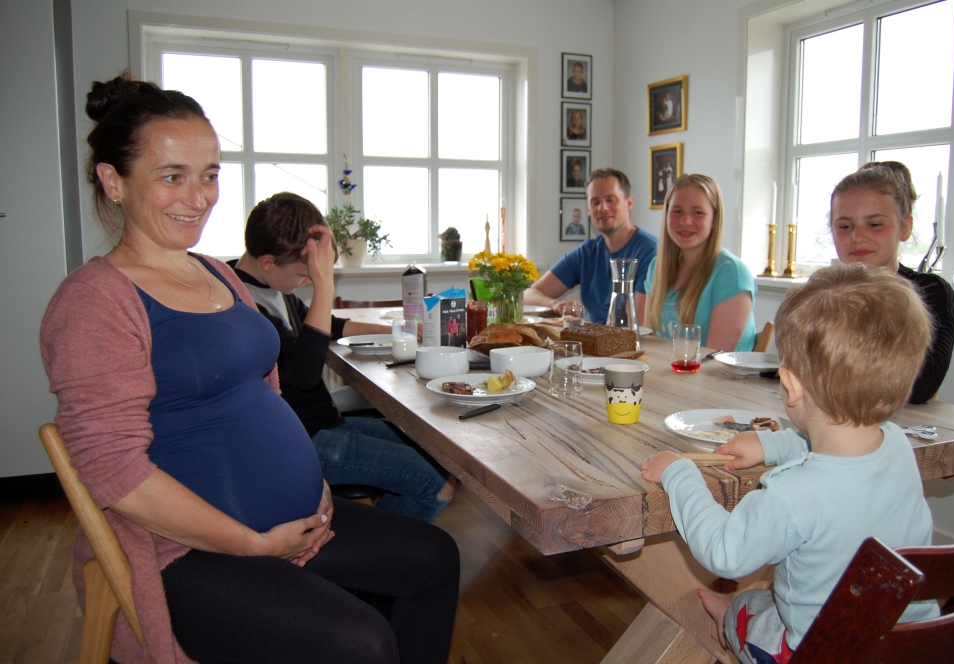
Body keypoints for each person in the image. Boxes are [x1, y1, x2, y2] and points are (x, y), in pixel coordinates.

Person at [40, 72, 458, 664]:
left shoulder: (216, 273)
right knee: (361, 644)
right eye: (172, 176)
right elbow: (113, 472)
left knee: (435, 559)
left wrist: (311, 484)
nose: (199, 196)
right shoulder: (93, 302)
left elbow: (270, 391)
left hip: (295, 521)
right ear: (113, 180)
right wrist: (250, 543)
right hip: (190, 548)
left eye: (209, 174)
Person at [640, 264, 939, 662]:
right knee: (771, 593)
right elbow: (836, 458)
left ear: (791, 385)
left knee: (749, 602)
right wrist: (770, 444)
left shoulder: (792, 496)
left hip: (823, 653)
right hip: (915, 645)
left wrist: (680, 473)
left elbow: (725, 553)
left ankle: (731, 618)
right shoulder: (898, 445)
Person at [230, 192, 455, 523]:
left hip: (323, 424)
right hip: (303, 441)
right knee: (436, 485)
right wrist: (324, 286)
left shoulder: (273, 286)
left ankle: (381, 537)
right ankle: (380, 556)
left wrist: (405, 330)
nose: (307, 281)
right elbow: (303, 374)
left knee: (442, 459)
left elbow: (328, 325)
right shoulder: (246, 305)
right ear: (268, 262)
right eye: (304, 275)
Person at [830, 161, 954, 403]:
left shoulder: (931, 293)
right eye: (845, 226)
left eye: (875, 224)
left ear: (905, 227)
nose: (858, 237)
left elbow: (919, 387)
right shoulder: (822, 293)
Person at [526, 168, 657, 323]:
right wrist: (555, 305)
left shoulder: (650, 252)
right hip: (593, 341)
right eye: (595, 202)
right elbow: (528, 295)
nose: (602, 208)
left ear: (629, 203)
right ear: (588, 209)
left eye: (610, 200)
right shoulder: (587, 252)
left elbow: (640, 326)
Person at [644, 174, 757, 351]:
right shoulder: (656, 267)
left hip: (716, 377)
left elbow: (714, 359)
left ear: (714, 219)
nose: (685, 221)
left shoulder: (732, 273)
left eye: (698, 213)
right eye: (677, 211)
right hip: (665, 375)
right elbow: (649, 344)